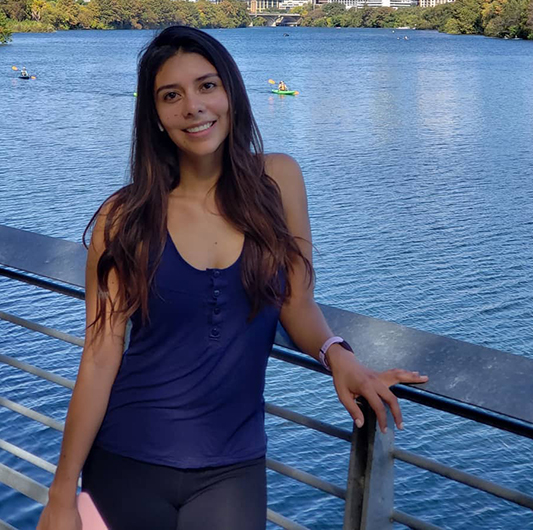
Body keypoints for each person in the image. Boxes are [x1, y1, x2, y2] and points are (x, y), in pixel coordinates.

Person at [37, 26, 428, 530]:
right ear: (155, 116)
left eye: (206, 86)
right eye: (171, 96)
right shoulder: (124, 217)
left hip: (232, 468)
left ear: (231, 93)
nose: (193, 108)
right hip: (126, 459)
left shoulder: (279, 180)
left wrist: (338, 355)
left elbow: (297, 303)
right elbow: (99, 355)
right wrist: (62, 492)